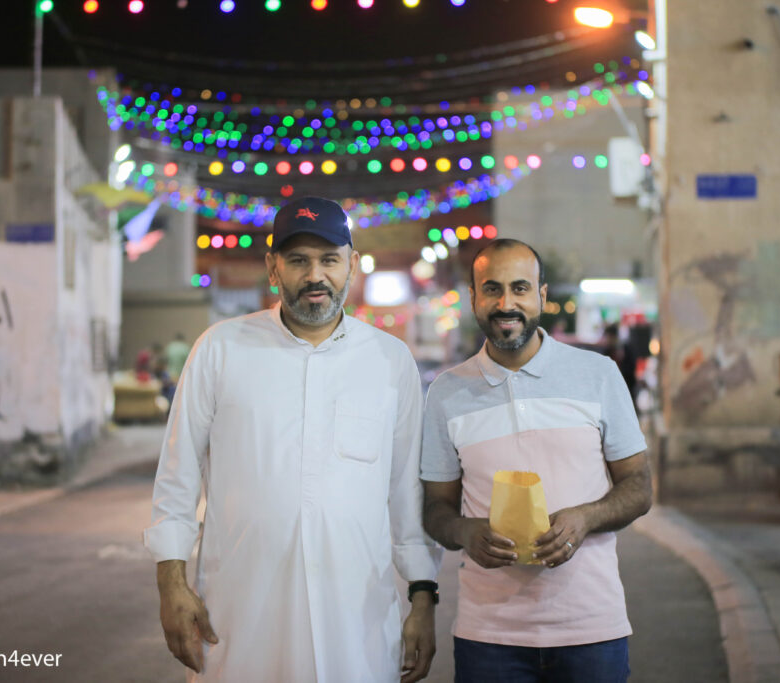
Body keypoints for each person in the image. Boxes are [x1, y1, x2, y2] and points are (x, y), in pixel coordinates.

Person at [144, 196, 442, 683]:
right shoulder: (220, 349)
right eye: (298, 260)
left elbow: (406, 492)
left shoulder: (389, 361)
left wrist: (423, 597)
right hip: (242, 612)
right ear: (273, 267)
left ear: (352, 264)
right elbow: (177, 478)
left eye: (329, 260)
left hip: (357, 619)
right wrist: (170, 584)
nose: (314, 276)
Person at [420, 239, 652, 682]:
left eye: (520, 288)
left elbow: (639, 488)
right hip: (488, 638)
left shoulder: (598, 375)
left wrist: (585, 518)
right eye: (492, 289)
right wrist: (464, 531)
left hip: (591, 630)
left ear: (542, 295)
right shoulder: (446, 394)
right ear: (474, 298)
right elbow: (435, 508)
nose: (506, 303)